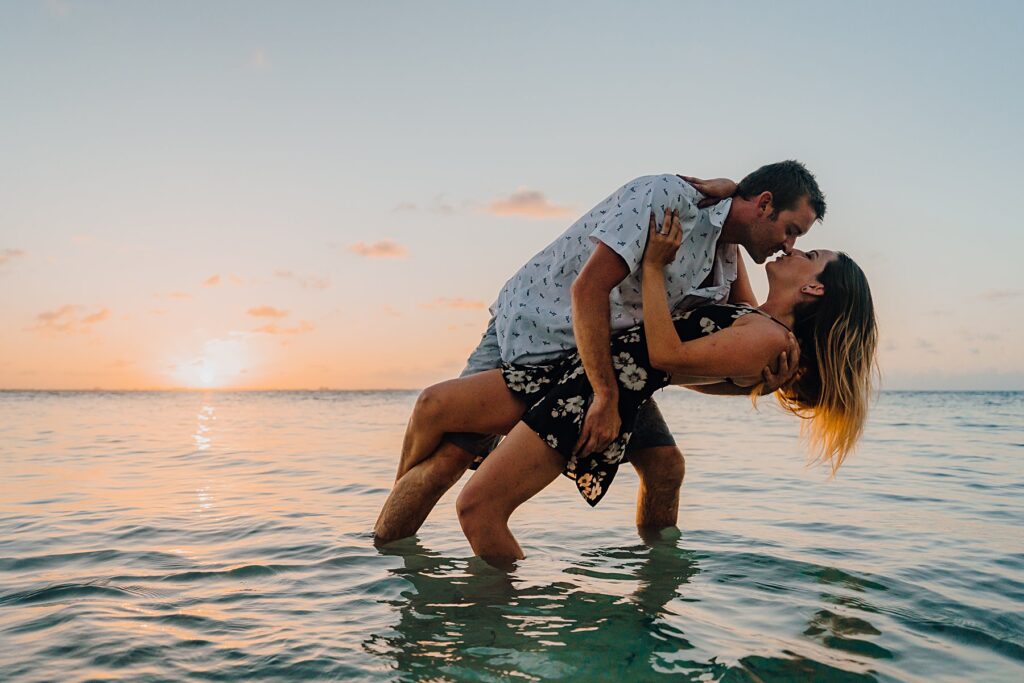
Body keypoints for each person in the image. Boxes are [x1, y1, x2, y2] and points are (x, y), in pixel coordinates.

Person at [374, 161, 827, 542]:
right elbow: (587, 289)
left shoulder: (726, 257)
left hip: (599, 361)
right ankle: (386, 559)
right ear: (764, 203)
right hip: (537, 334)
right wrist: (606, 397)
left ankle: (655, 588)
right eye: (790, 230)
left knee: (665, 468)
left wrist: (764, 381)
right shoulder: (670, 200)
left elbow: (712, 347)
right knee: (449, 460)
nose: (789, 246)